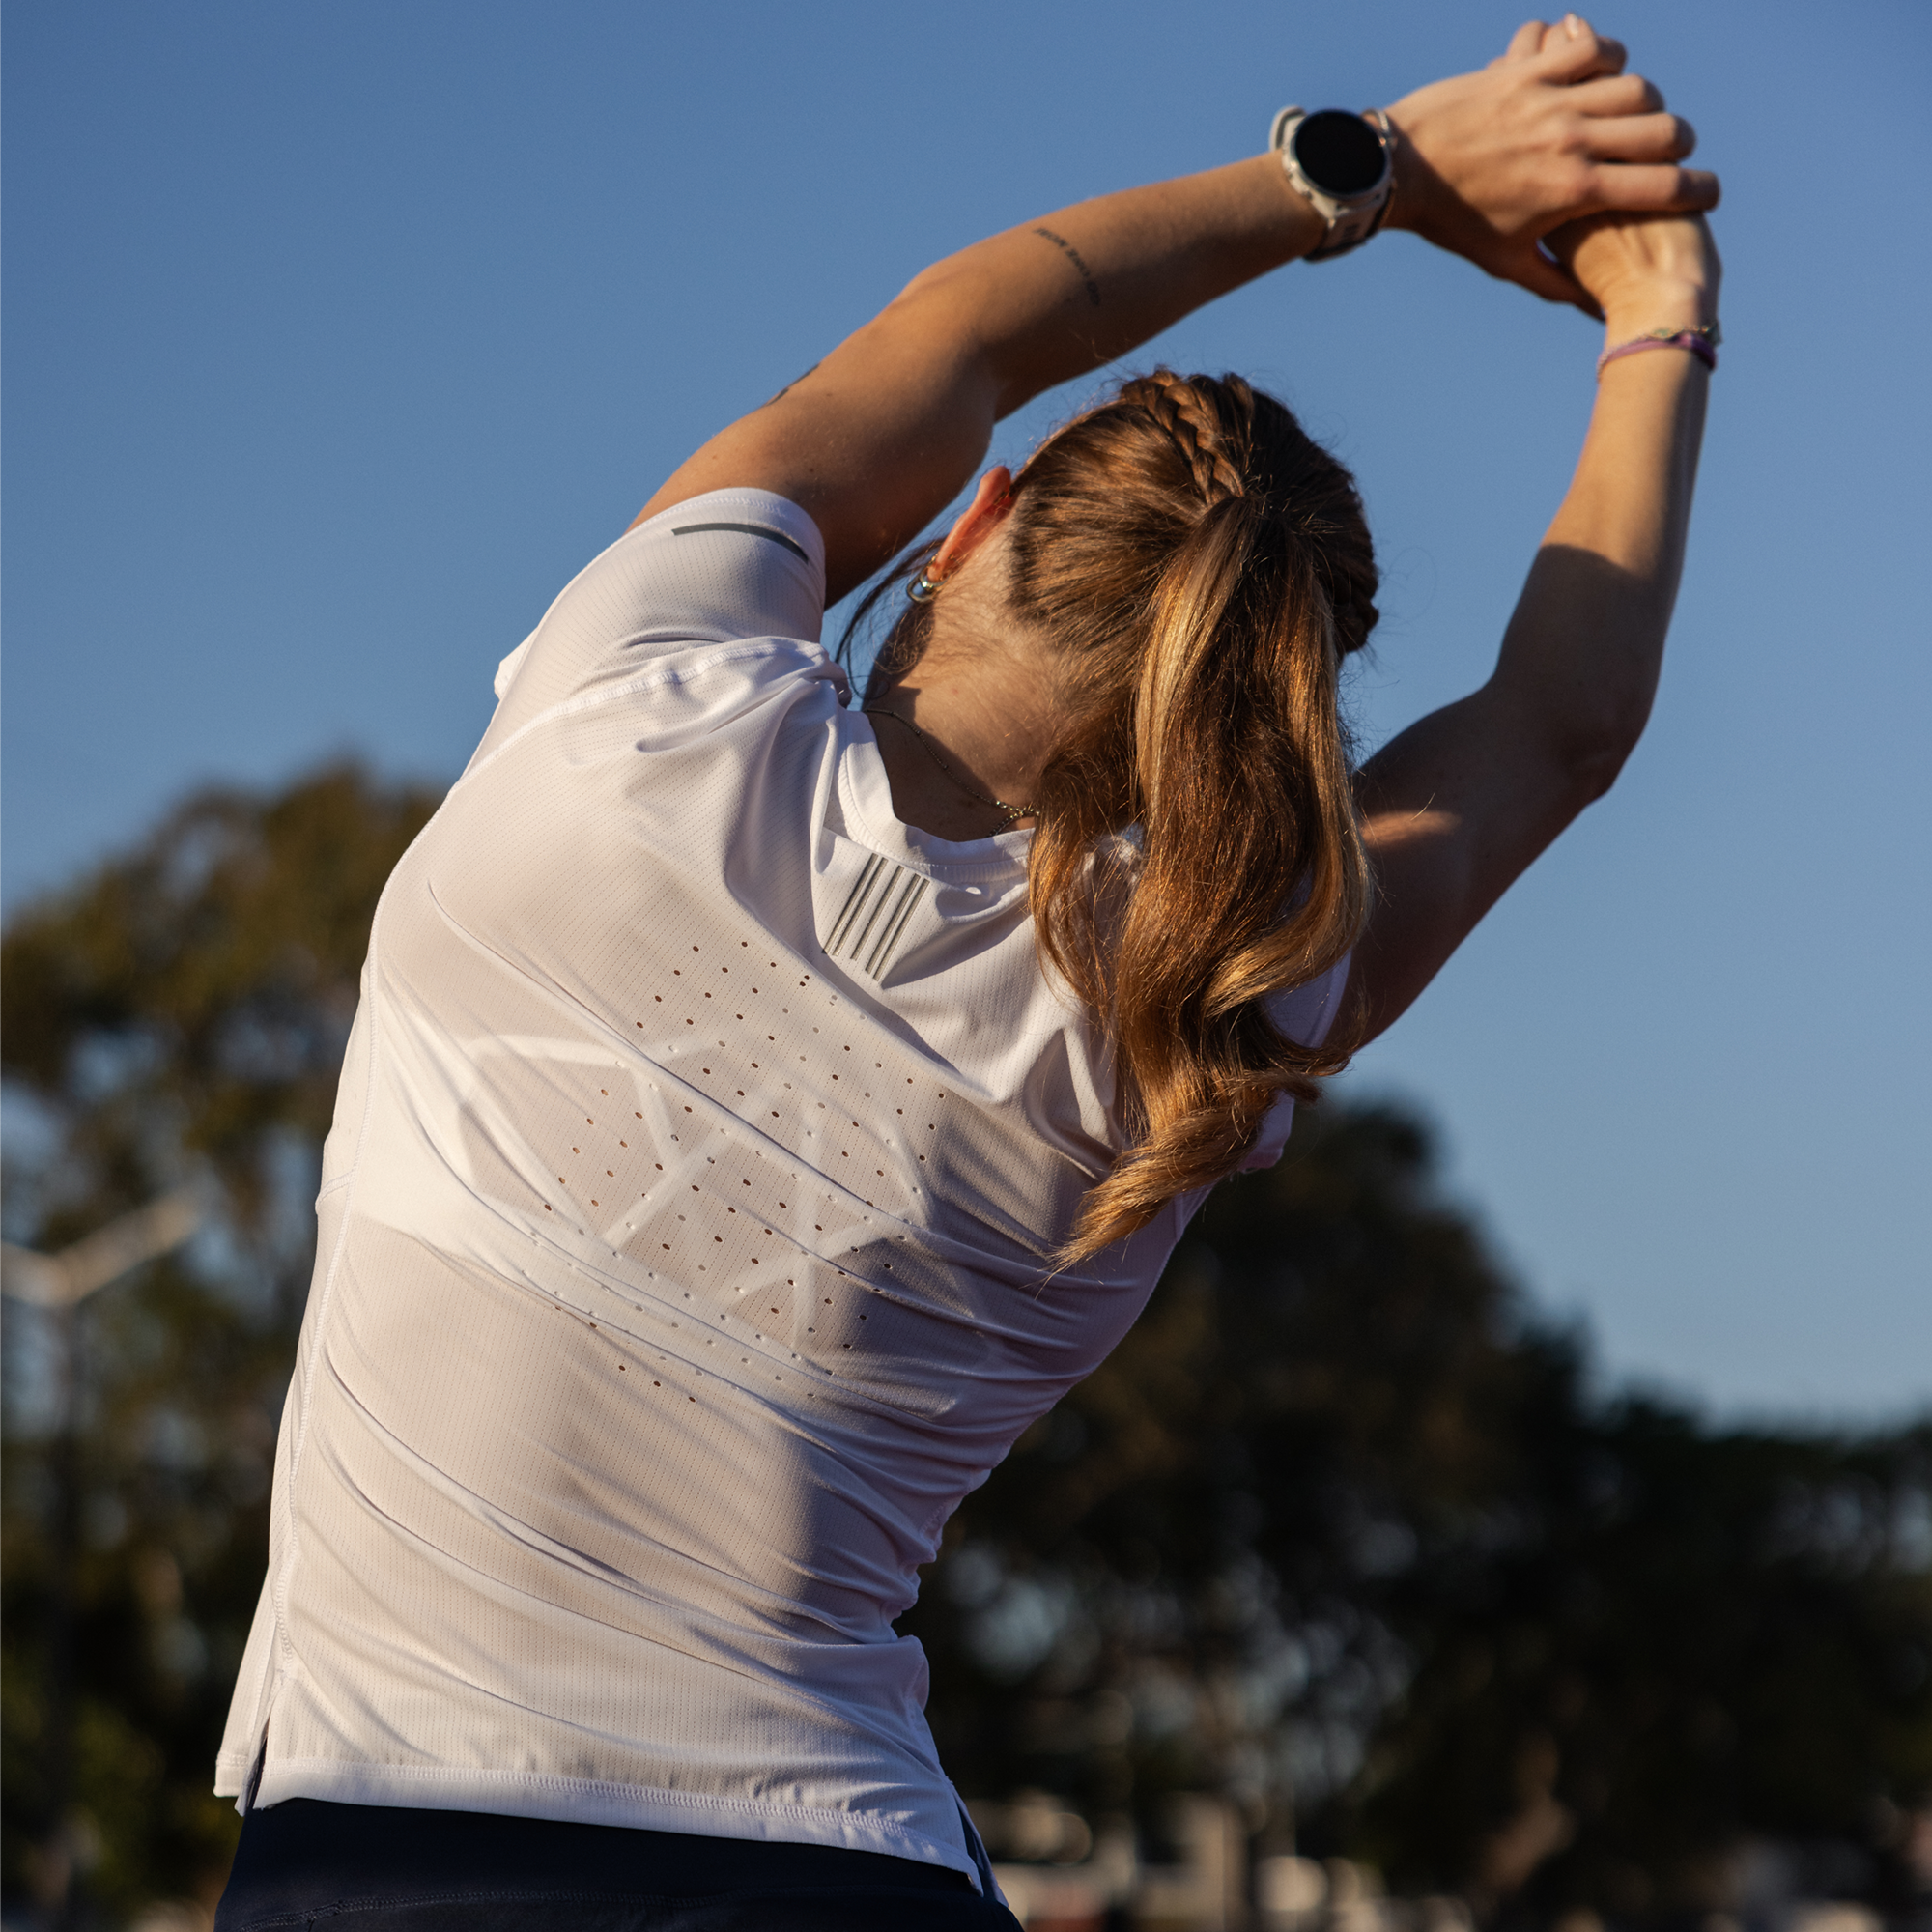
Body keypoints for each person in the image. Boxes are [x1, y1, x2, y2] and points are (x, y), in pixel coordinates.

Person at [213, 16, 1719, 1930]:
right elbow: (1557, 730)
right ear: (1258, 718)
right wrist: (1660, 316)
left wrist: (1378, 170)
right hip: (847, 1877)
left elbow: (972, 332)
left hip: (391, 1852)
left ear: (976, 519)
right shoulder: (1201, 1002)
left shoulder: (641, 707)